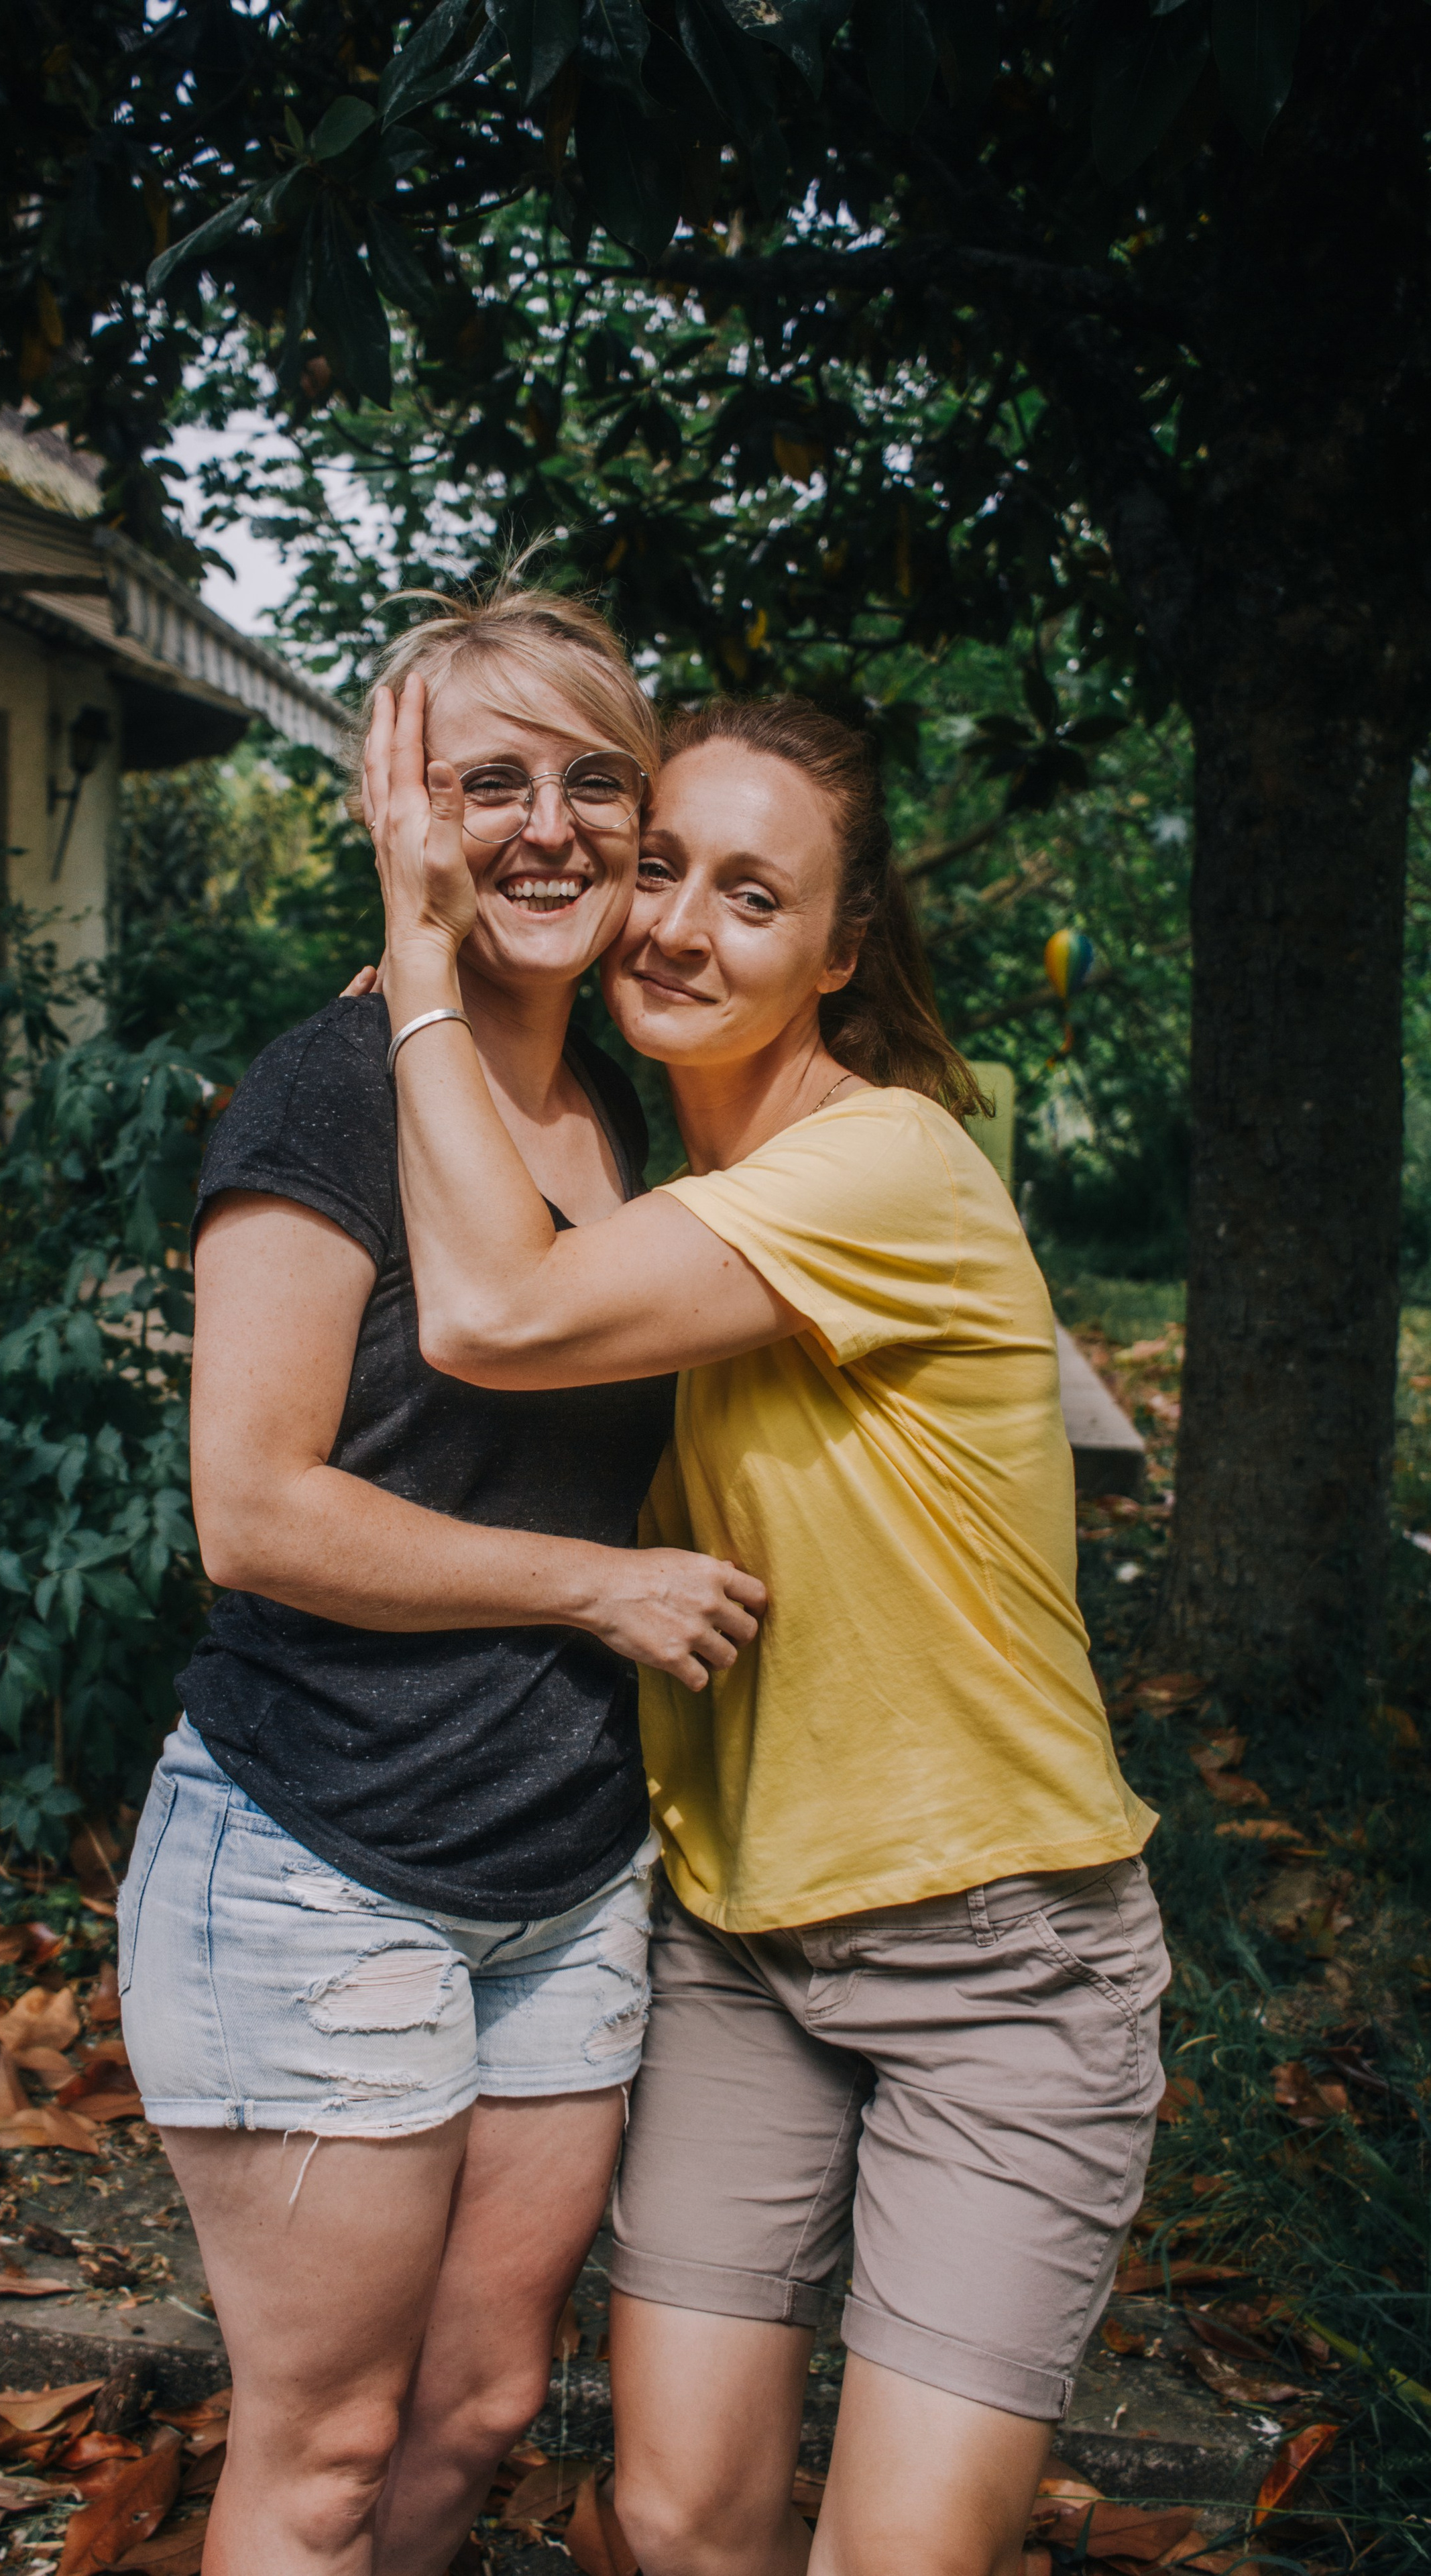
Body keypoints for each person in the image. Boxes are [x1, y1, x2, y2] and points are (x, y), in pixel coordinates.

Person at [363, 679, 1165, 2576]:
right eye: (656, 868)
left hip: (999, 1956)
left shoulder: (884, 1167)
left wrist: (421, 951)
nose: (677, 926)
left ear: (838, 949)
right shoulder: (668, 1185)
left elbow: (492, 1314)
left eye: (751, 893)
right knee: (678, 2513)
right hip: (740, 1936)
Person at [117, 582, 766, 2576]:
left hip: (562, 1877)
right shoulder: (327, 1088)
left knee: (477, 2408)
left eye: (596, 780)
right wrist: (595, 1588)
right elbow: (255, 1511)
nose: (551, 828)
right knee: (323, 2453)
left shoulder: (615, 1103)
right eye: (492, 783)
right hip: (325, 1859)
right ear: (396, 813)